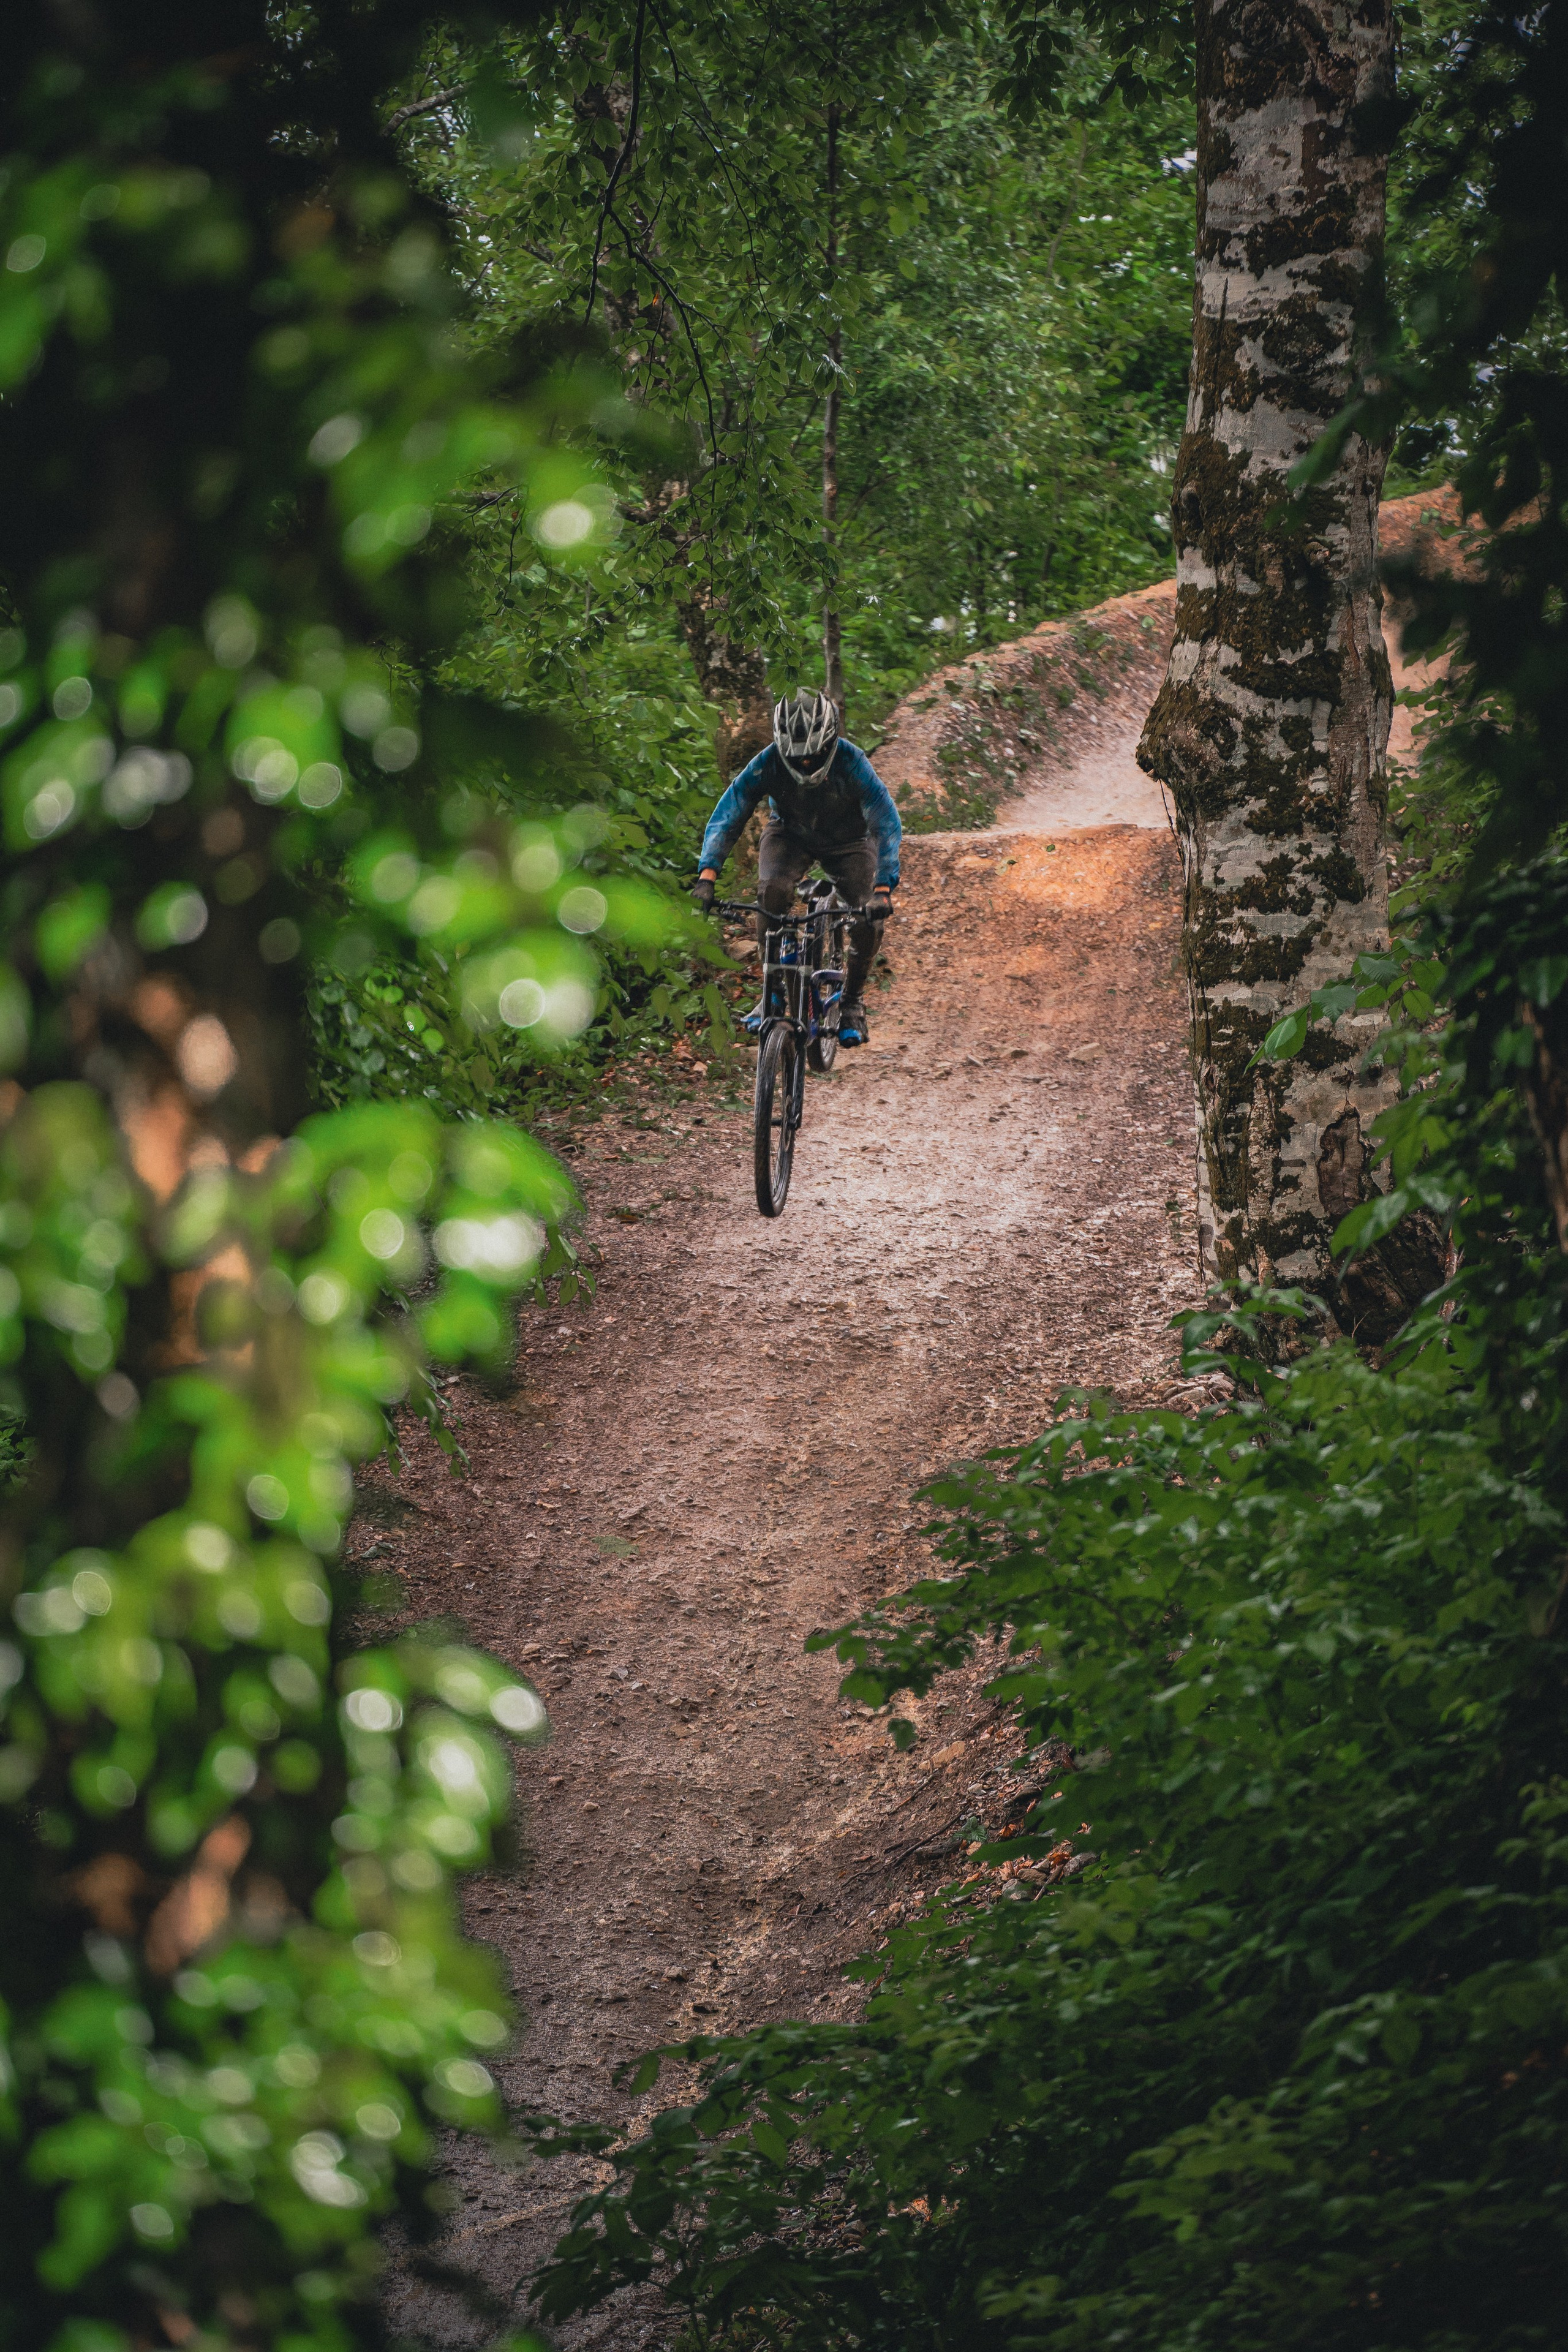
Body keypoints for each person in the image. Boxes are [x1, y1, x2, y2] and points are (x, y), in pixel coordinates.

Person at [692, 690, 901, 1046]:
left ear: (832, 741)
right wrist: (707, 876)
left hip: (850, 841)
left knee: (869, 917)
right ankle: (772, 992)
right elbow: (730, 813)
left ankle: (851, 1003)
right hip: (790, 835)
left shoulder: (852, 763)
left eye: (815, 755)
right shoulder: (768, 762)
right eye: (797, 757)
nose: (806, 764)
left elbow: (885, 822)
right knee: (770, 892)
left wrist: (883, 889)